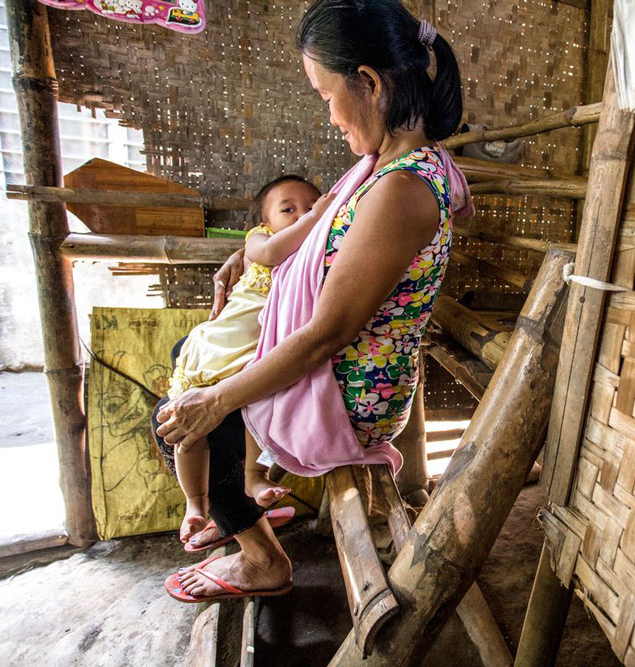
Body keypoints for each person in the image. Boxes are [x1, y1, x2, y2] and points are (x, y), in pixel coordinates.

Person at [156, 0, 472, 601]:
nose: (329, 116)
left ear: (370, 83)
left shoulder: (401, 189)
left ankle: (261, 561)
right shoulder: (386, 167)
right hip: (340, 368)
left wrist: (218, 398)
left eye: (326, 95)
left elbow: (325, 333)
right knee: (187, 358)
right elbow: (315, 247)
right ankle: (243, 512)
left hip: (349, 394)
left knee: (180, 420)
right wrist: (249, 258)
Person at [164, 175, 331, 544]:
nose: (304, 212)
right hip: (218, 347)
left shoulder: (318, 251)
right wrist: (316, 217)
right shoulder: (259, 242)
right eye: (288, 209)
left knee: (258, 410)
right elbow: (271, 253)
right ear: (263, 224)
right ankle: (196, 504)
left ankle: (254, 480)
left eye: (312, 204)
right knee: (187, 432)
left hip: (257, 354)